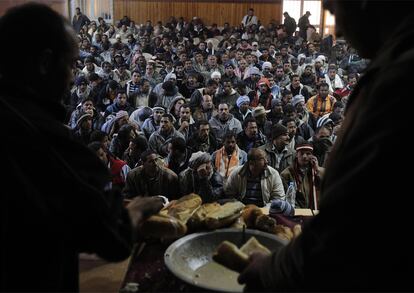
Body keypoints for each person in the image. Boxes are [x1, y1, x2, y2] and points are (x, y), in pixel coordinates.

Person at [239, 1, 414, 291]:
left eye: (334, 12)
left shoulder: (400, 81)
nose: (340, 32)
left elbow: (348, 230)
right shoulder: (394, 65)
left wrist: (273, 269)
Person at [0, 4, 163, 291]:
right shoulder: (46, 139)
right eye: (71, 64)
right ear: (45, 63)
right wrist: (134, 211)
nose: (73, 77)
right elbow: (112, 236)